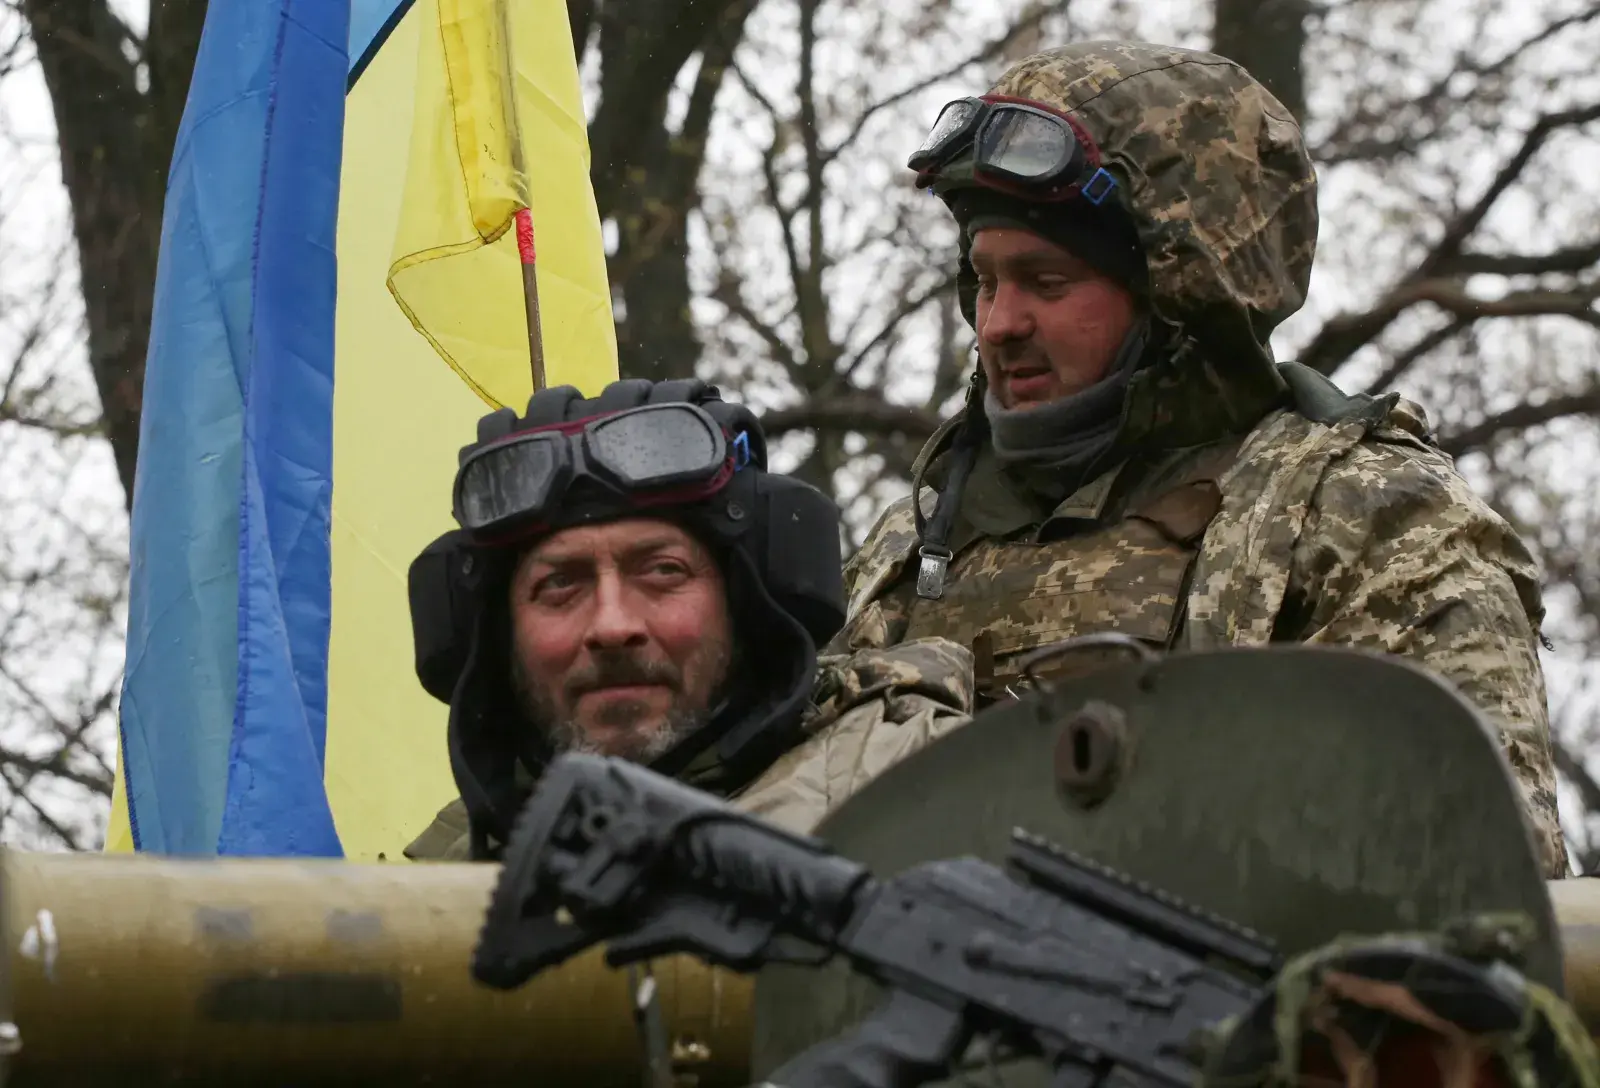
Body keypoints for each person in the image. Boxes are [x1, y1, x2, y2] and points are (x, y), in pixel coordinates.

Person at [830, 41, 1568, 878]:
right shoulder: (914, 539)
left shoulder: (1366, 517)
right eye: (987, 280)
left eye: (1046, 280)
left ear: (1175, 289)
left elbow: (1478, 877)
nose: (999, 323)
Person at [401, 378, 975, 859]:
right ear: (498, 634)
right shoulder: (437, 878)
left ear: (746, 602)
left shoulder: (918, 795)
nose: (612, 626)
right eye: (559, 584)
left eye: (662, 571)